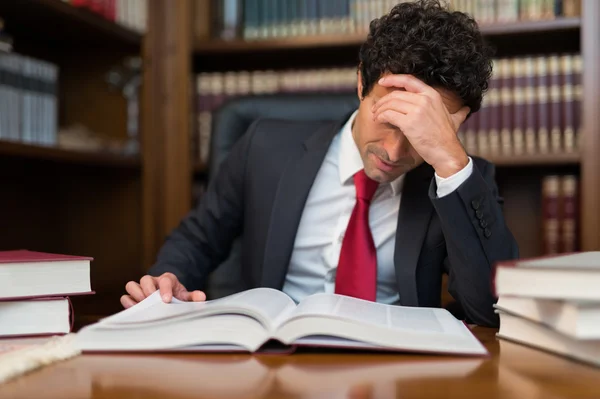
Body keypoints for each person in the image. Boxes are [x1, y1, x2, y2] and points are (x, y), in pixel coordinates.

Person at [121, 0, 518, 327]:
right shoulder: (265, 147)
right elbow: (198, 238)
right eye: (389, 114)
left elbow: (489, 310)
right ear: (362, 82)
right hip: (274, 361)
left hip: (394, 372)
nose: (394, 152)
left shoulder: (464, 181)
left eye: (419, 130)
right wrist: (169, 278)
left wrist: (449, 159)